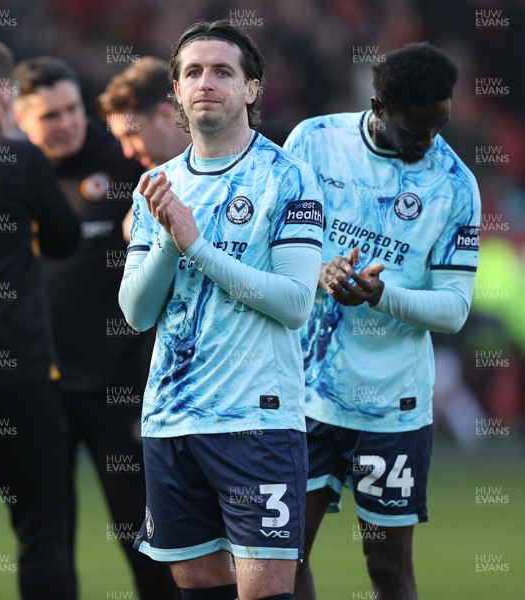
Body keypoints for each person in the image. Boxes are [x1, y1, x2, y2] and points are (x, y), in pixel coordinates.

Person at [119, 19, 324, 600]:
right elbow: (136, 311)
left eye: (223, 71)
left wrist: (197, 246)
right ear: (177, 93)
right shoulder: (156, 185)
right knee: (199, 589)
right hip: (172, 420)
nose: (206, 82)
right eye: (192, 72)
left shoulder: (287, 178)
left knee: (264, 591)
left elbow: (293, 303)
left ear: (252, 89)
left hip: (255, 421)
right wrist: (166, 237)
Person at [284, 42, 481, 599]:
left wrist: (380, 295)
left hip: (392, 406)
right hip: (304, 395)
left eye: (438, 125)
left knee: (388, 568)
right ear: (378, 106)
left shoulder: (455, 185)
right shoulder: (314, 141)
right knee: (284, 553)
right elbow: (275, 238)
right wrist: (318, 267)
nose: (428, 142)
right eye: (416, 129)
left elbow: (454, 309)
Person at [13, 57, 178, 598]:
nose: (66, 123)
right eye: (50, 115)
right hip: (41, 389)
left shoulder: (127, 162)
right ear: (21, 119)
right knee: (43, 539)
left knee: (144, 537)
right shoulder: (14, 178)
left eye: (71, 109)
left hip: (119, 392)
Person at [0, 40, 79, 600]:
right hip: (15, 376)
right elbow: (64, 238)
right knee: (42, 531)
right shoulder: (17, 158)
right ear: (5, 95)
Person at [97, 55, 190, 242]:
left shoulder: (250, 157)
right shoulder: (136, 179)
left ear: (165, 115)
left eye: (131, 135)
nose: (128, 152)